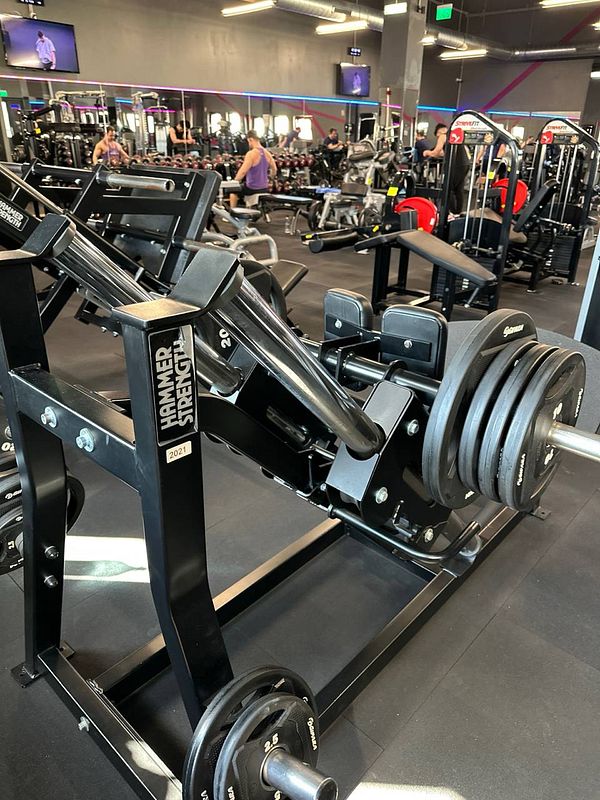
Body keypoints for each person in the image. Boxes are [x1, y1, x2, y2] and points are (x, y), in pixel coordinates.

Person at [424, 122, 471, 215]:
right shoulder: (455, 134)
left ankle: (452, 212)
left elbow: (436, 152)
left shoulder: (443, 136)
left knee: (448, 188)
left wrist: (426, 152)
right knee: (459, 189)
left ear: (439, 132)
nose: (437, 137)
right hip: (465, 163)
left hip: (455, 165)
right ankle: (458, 212)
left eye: (437, 135)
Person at [230, 130, 276, 208]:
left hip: (252, 188)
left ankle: (232, 213)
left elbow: (243, 171)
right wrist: (270, 178)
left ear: (250, 139)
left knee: (232, 190)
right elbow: (274, 169)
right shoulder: (267, 153)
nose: (249, 144)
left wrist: (235, 181)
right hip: (264, 188)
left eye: (248, 142)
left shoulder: (251, 154)